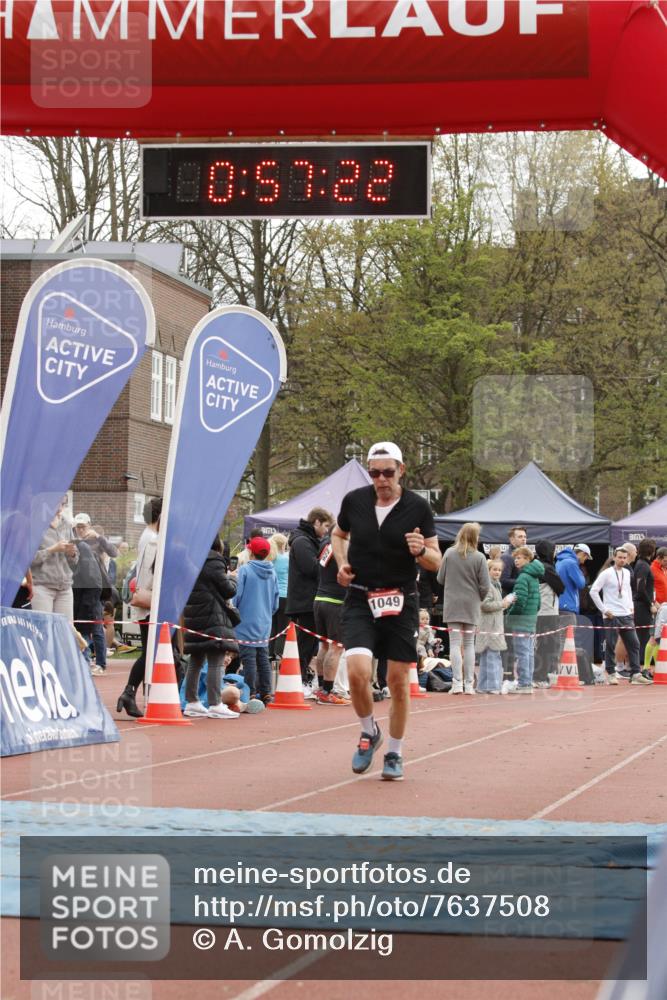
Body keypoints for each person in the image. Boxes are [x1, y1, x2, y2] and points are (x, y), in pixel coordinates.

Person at [331, 441, 440, 781]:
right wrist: (342, 563)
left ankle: (394, 751)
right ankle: (369, 731)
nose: (381, 480)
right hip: (361, 598)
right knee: (357, 672)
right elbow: (338, 534)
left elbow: (435, 561)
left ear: (401, 471)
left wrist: (420, 551)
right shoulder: (355, 501)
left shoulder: (417, 507)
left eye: (387, 473)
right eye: (374, 473)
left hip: (401, 600)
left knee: (397, 681)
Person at [182, 535, 239, 719]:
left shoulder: (190, 559)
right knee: (216, 660)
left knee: (196, 659)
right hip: (212, 616)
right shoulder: (214, 561)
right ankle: (215, 703)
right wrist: (233, 578)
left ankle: (192, 701)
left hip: (193, 615)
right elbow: (228, 590)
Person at [116, 497, 161, 718]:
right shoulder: (153, 540)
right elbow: (151, 573)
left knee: (152, 651)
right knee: (153, 651)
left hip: (146, 600)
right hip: (150, 601)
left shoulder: (147, 537)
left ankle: (131, 693)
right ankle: (130, 692)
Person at [437, 522, 491, 695]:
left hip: (452, 603)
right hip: (472, 603)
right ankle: (469, 684)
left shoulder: (449, 553)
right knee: (469, 645)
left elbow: (440, 578)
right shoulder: (480, 557)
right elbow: (486, 585)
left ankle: (457, 683)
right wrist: (478, 598)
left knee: (454, 644)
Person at [286, 507, 334, 695]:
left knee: (312, 643)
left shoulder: (309, 540)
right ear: (317, 522)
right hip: (305, 600)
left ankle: (303, 678)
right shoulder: (302, 542)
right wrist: (327, 564)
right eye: (326, 526)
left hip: (310, 598)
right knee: (305, 644)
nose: (327, 531)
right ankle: (298, 680)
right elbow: (312, 568)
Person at [590, 547, 650, 685]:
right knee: (611, 644)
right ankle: (611, 673)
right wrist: (604, 610)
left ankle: (636, 673)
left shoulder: (627, 573)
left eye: (624, 558)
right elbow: (593, 591)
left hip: (626, 614)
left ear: (627, 558)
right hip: (611, 615)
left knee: (634, 643)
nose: (622, 560)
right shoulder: (606, 573)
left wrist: (631, 607)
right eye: (620, 557)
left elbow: (628, 590)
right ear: (614, 557)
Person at [233, 536, 280, 705]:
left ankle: (250, 693)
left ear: (251, 552)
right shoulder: (272, 572)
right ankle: (266, 692)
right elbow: (275, 602)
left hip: (245, 620)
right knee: (263, 658)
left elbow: (236, 596)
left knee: (249, 659)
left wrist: (233, 611)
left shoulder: (245, 570)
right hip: (264, 622)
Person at [313, 530, 350, 705]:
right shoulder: (342, 544)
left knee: (325, 646)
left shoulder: (325, 544)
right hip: (335, 601)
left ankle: (322, 688)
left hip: (320, 598)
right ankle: (327, 691)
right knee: (336, 648)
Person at [30, 497, 78, 617]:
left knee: (65, 627)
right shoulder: (34, 524)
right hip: (42, 587)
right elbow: (28, 560)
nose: (60, 507)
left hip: (65, 588)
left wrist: (72, 553)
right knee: (43, 627)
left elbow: (75, 560)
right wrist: (52, 550)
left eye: (63, 503)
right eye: (57, 502)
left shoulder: (67, 524)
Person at [505, 546, 544, 693]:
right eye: (515, 558)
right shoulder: (534, 577)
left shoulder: (523, 577)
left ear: (527, 559)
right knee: (529, 653)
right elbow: (538, 602)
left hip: (521, 621)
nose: (516, 560)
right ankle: (527, 681)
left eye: (519, 558)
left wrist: (510, 615)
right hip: (531, 619)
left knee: (522, 653)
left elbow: (520, 600)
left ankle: (523, 684)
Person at [476, 559, 512, 694]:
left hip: (492, 625)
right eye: (494, 569)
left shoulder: (496, 585)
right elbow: (484, 605)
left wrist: (503, 604)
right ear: (488, 570)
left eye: (499, 570)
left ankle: (483, 686)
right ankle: (493, 686)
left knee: (487, 657)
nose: (497, 572)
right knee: (493, 656)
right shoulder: (489, 586)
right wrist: (502, 604)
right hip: (490, 626)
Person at [72, 533, 105, 674]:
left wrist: (86, 606)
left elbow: (94, 584)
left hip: (86, 606)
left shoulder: (86, 561)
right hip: (86, 604)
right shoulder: (89, 559)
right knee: (89, 634)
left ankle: (87, 664)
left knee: (85, 635)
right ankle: (89, 664)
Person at [533, 540, 564, 686]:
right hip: (546, 611)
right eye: (553, 550)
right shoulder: (546, 568)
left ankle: (542, 675)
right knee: (547, 646)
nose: (555, 553)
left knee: (543, 645)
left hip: (542, 610)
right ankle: (539, 677)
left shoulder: (537, 565)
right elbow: (561, 587)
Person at [633, 538, 657, 665]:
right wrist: (650, 604)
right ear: (652, 551)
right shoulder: (643, 565)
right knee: (643, 638)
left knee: (643, 637)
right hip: (642, 607)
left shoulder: (642, 564)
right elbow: (640, 589)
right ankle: (641, 667)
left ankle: (641, 667)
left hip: (642, 605)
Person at [268, 533, 290, 664]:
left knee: (272, 627)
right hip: (284, 596)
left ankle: (269, 654)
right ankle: (278, 655)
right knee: (282, 629)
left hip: (271, 596)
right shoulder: (286, 559)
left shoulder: (270, 559)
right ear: (283, 545)